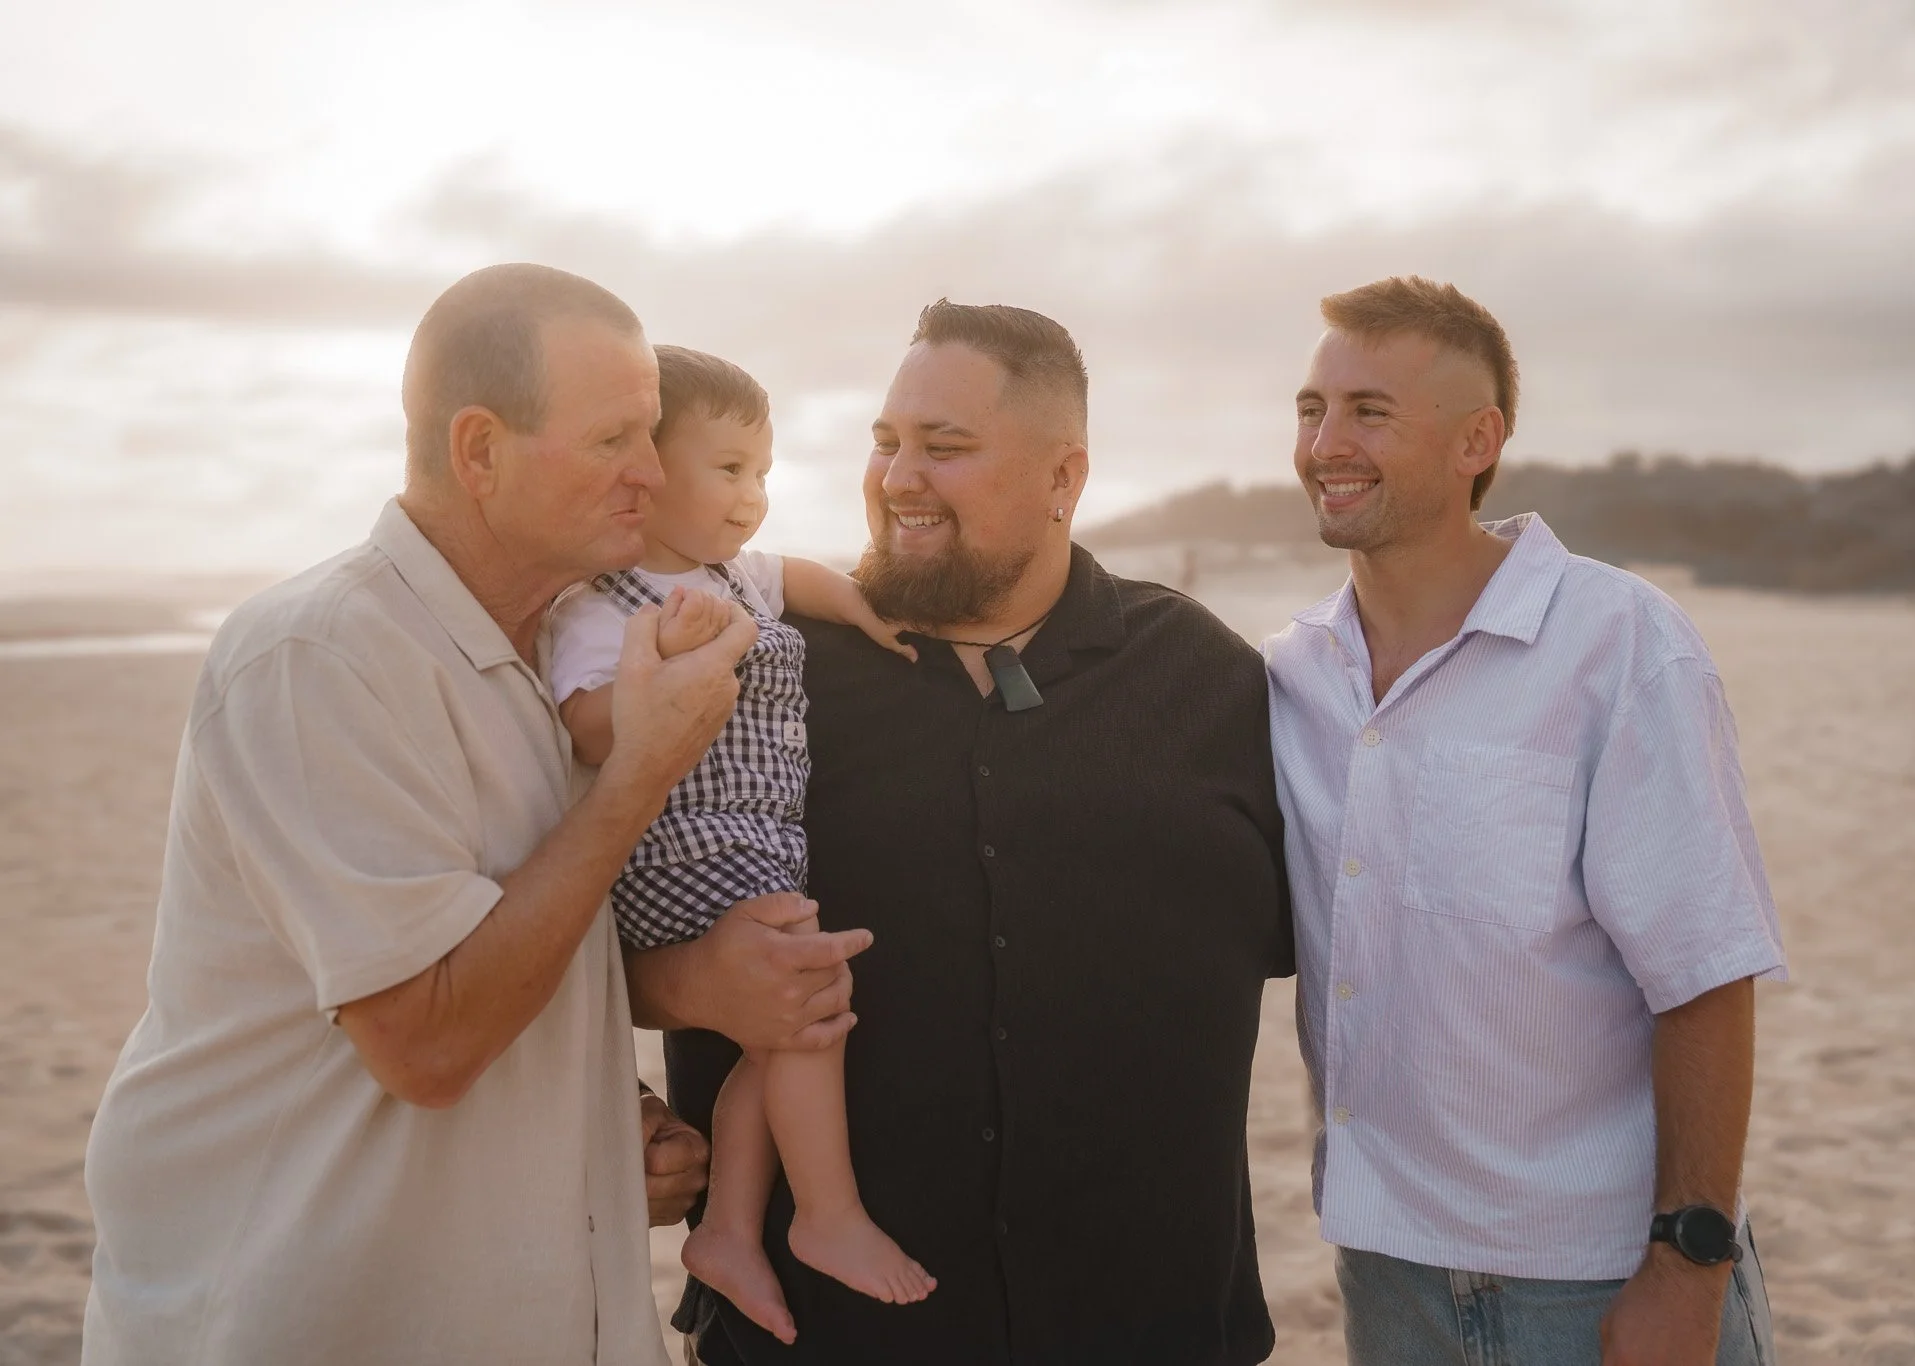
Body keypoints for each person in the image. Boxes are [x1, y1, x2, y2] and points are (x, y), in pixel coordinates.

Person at [81, 264, 869, 1366]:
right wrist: (643, 769)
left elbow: (533, 928)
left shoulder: (565, 661)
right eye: (612, 442)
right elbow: (428, 1038)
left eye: (652, 435)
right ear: (480, 450)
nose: (651, 472)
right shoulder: (320, 658)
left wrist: (604, 1117)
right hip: (318, 1326)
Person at [633, 300, 1295, 1365]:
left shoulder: (1204, 679)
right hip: (821, 1335)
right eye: (886, 443)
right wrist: (649, 1064)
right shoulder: (749, 657)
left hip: (1151, 1323)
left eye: (943, 449)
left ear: (1062, 480)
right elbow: (566, 927)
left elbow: (1355, 947)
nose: (898, 478)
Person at [1264, 276, 1785, 1366]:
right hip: (1386, 1271)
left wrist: (1684, 1271)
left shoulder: (1618, 644)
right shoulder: (1288, 677)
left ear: (1475, 440)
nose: (1325, 443)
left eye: (1368, 411)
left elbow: (1702, 971)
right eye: (1312, 409)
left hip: (1594, 1278)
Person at [550, 345, 932, 1343]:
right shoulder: (610, 600)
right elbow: (584, 725)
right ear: (646, 467)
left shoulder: (735, 573)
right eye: (727, 469)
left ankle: (725, 1227)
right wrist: (657, 674)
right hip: (679, 850)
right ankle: (827, 1213)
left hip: (753, 846)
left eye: (762, 472)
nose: (752, 494)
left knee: (784, 1021)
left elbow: (800, 575)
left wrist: (862, 606)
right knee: (804, 996)